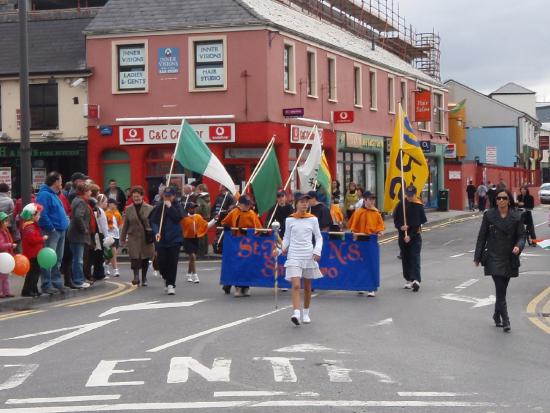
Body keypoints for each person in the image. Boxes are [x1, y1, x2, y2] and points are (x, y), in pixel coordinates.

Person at [474, 189, 524, 332]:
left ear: (509, 200)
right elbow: (481, 237)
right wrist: (477, 257)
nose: (501, 200)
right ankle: (506, 320)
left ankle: (496, 315)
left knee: (502, 289)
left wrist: (518, 247)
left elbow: (521, 236)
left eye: (504, 198)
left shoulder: (517, 216)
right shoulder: (489, 215)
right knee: (500, 288)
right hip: (493, 256)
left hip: (509, 257)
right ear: (495, 200)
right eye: (498, 198)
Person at [276, 192, 323, 326]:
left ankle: (306, 312)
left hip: (308, 255)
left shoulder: (313, 219)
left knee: (307, 287)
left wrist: (317, 250)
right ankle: (296, 313)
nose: (304, 204)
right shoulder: (290, 219)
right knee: (296, 285)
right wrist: (279, 250)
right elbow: (286, 238)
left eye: (306, 202)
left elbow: (319, 237)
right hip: (294, 255)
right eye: (302, 202)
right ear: (296, 203)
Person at [221, 195, 262, 297]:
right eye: (246, 204)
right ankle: (238, 286)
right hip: (236, 243)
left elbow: (259, 229)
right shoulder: (234, 212)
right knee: (237, 265)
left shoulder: (252, 214)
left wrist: (248, 232)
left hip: (248, 243)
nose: (248, 206)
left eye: (249, 204)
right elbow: (225, 222)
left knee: (247, 265)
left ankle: (246, 286)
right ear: (240, 204)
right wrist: (226, 226)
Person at [36, 172, 69, 294]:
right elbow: (42, 213)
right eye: (60, 181)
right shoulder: (45, 195)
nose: (61, 183)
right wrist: (51, 228)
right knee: (48, 259)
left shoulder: (54, 194)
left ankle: (56, 283)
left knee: (57, 259)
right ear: (55, 182)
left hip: (59, 230)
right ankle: (46, 284)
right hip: (52, 231)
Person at [348, 191, 384, 297]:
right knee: (360, 264)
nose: (372, 201)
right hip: (360, 241)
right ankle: (361, 285)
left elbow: (380, 226)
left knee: (371, 264)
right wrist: (353, 233)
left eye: (373, 199)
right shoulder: (359, 212)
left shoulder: (376, 213)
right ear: (365, 200)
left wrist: (380, 231)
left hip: (371, 242)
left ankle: (371, 288)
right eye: (370, 199)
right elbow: (353, 226)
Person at [149, 187, 184, 293]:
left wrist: (170, 207)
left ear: (174, 196)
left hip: (175, 239)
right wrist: (156, 233)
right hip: (162, 239)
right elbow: (153, 221)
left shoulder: (178, 206)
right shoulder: (159, 207)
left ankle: (171, 284)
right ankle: (165, 277)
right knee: (162, 262)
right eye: (166, 196)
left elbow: (178, 217)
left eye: (169, 196)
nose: (167, 198)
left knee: (173, 262)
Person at [393, 185, 427, 292]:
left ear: (415, 195)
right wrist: (400, 227)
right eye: (408, 195)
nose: (409, 197)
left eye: (411, 195)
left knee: (414, 257)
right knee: (405, 257)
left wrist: (410, 236)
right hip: (403, 236)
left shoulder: (418, 205)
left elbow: (419, 225)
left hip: (415, 237)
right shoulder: (400, 204)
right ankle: (408, 279)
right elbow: (396, 220)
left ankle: (416, 279)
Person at [120, 186, 155, 286]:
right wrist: (122, 238)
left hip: (146, 236)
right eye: (134, 196)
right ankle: (136, 277)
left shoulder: (150, 208)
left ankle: (144, 278)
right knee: (134, 258)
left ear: (142, 196)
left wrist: (155, 235)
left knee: (145, 258)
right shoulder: (128, 209)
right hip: (133, 236)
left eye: (138, 196)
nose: (136, 198)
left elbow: (153, 223)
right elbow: (125, 224)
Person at [180, 202, 217, 284]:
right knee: (192, 256)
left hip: (195, 239)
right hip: (187, 239)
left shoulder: (198, 217)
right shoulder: (184, 218)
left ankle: (189, 274)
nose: (194, 209)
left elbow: (206, 226)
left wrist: (214, 220)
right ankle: (195, 275)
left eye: (194, 207)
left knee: (192, 258)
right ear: (188, 209)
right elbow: (179, 228)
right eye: (192, 208)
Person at [67, 183, 92, 289]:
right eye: (89, 190)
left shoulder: (76, 200)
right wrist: (84, 229)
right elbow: (78, 216)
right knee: (78, 259)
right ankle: (78, 280)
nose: (91, 193)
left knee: (77, 258)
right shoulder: (81, 202)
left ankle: (79, 279)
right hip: (78, 234)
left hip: (74, 233)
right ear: (85, 192)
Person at [20, 203, 47, 297]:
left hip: (35, 252)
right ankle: (27, 290)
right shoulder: (29, 226)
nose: (39, 216)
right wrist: (42, 238)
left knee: (35, 272)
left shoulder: (32, 225)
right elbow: (31, 240)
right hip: (32, 253)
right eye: (38, 214)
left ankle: (33, 289)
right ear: (32, 215)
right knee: (33, 272)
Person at [104, 199, 123, 277]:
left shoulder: (117, 213)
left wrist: (121, 234)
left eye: (116, 204)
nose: (116, 205)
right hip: (108, 235)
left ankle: (105, 264)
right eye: (114, 204)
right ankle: (116, 270)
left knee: (111, 254)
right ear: (110, 204)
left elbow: (120, 224)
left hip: (116, 235)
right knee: (113, 251)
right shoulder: (105, 213)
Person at [0, 212, 16, 298]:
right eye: (5, 221)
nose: (7, 223)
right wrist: (10, 245)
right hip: (2, 256)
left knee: (5, 275)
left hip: (4, 256)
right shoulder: (1, 232)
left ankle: (6, 291)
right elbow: (1, 245)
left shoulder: (4, 231)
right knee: (2, 276)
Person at [195, 183, 211, 257]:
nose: (196, 191)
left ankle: (200, 252)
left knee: (200, 235)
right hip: (207, 217)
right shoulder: (208, 198)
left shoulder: (200, 198)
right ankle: (205, 250)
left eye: (197, 189)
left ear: (201, 190)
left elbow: (198, 209)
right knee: (205, 234)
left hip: (201, 217)